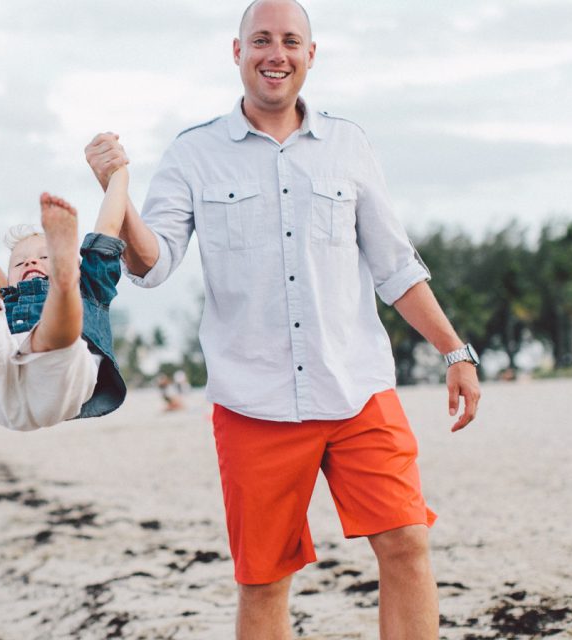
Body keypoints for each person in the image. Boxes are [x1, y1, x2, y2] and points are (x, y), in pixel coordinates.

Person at [83, 1, 482, 638]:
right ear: (236, 52)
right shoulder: (193, 154)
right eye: (261, 40)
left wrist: (454, 352)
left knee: (407, 542)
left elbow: (395, 266)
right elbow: (152, 266)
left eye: (291, 41)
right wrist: (118, 192)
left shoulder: (348, 144)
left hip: (358, 390)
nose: (277, 53)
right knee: (265, 580)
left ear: (311, 54)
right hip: (254, 402)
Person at [0, 166, 132, 431]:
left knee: (52, 338)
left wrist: (118, 173)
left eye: (45, 257)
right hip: (0, 386)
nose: (30, 261)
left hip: (60, 378)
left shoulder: (89, 287)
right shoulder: (7, 300)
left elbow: (108, 228)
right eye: (19, 262)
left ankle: (63, 288)